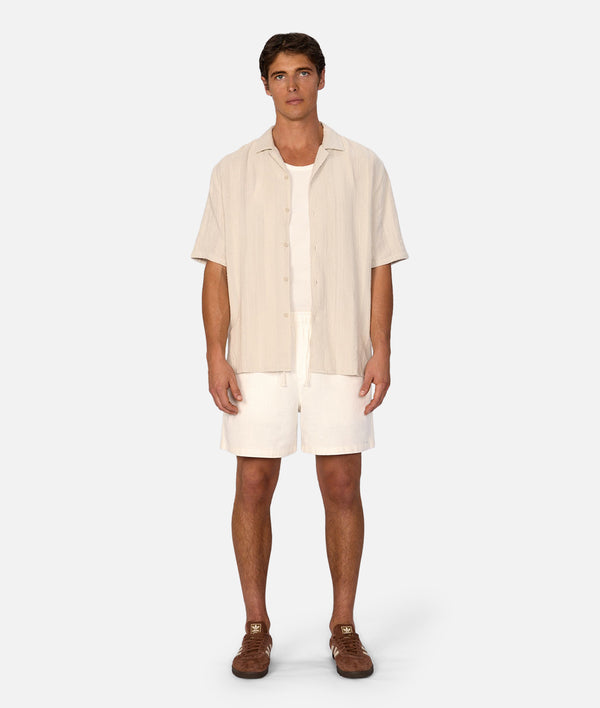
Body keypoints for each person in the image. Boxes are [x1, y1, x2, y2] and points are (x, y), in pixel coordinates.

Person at [190, 32, 408, 679]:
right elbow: (215, 270)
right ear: (265, 85)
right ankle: (256, 627)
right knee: (253, 484)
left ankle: (344, 626)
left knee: (342, 485)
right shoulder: (232, 170)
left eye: (304, 72)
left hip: (339, 351)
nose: (293, 86)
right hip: (258, 353)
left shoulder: (363, 165)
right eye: (281, 75)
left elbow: (381, 264)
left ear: (321, 79)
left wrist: (381, 350)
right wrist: (215, 355)